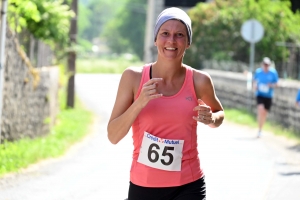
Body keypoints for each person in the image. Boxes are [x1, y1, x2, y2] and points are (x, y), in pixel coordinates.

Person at [107, 7, 224, 200]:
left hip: (188, 184)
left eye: (179, 35)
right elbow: (113, 136)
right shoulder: (133, 78)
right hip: (143, 185)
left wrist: (212, 118)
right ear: (155, 39)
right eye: (165, 33)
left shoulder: (200, 81)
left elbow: (219, 114)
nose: (171, 40)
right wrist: (139, 102)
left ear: (188, 43)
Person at [253, 57, 278, 137]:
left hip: (268, 96)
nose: (266, 66)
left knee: (264, 113)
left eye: (267, 65)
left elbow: (277, 84)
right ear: (262, 64)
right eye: (264, 64)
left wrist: (271, 85)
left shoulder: (273, 73)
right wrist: (255, 86)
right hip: (260, 94)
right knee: (260, 109)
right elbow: (254, 81)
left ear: (269, 65)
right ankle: (259, 130)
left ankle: (261, 128)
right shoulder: (258, 72)